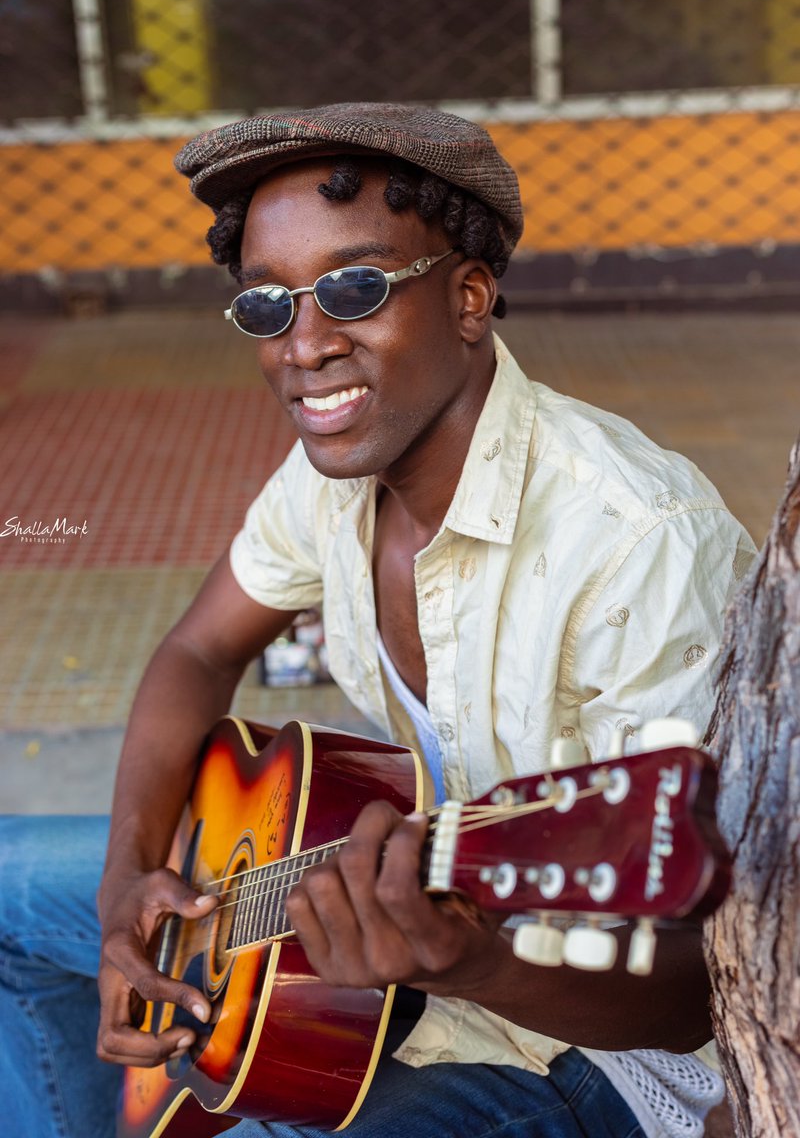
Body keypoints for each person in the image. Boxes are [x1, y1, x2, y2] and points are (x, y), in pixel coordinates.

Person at [0, 102, 755, 1138]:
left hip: (587, 1057)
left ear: (468, 298)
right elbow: (196, 648)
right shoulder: (337, 475)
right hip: (365, 921)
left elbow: (696, 991)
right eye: (267, 305)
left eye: (352, 288)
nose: (303, 346)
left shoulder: (638, 544)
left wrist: (469, 961)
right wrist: (132, 875)